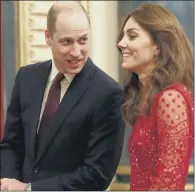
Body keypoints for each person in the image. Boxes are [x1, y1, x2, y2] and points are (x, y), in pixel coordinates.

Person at [0, 1, 125, 191]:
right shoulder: (26, 77)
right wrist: (9, 183)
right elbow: (11, 143)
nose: (76, 52)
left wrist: (29, 189)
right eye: (67, 42)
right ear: (48, 37)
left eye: (83, 40)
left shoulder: (108, 93)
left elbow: (96, 175)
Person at [117, 3, 194, 191]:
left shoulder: (171, 99)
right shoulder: (147, 99)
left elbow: (169, 183)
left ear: (158, 46)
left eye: (132, 36)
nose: (121, 43)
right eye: (123, 36)